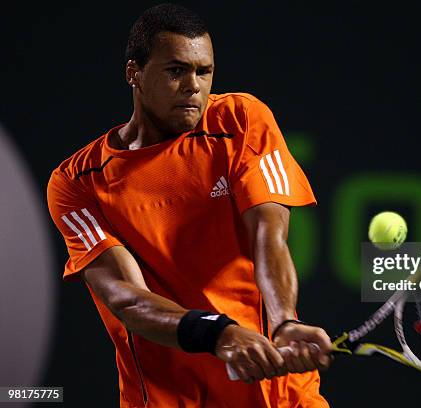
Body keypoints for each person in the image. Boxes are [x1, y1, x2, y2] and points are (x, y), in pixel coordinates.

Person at [46, 4, 332, 407]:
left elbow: (269, 235)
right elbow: (127, 298)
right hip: (172, 399)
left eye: (204, 72)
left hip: (279, 395)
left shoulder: (241, 119)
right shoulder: (77, 181)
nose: (194, 86)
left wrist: (284, 319)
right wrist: (219, 333)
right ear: (134, 74)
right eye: (176, 70)